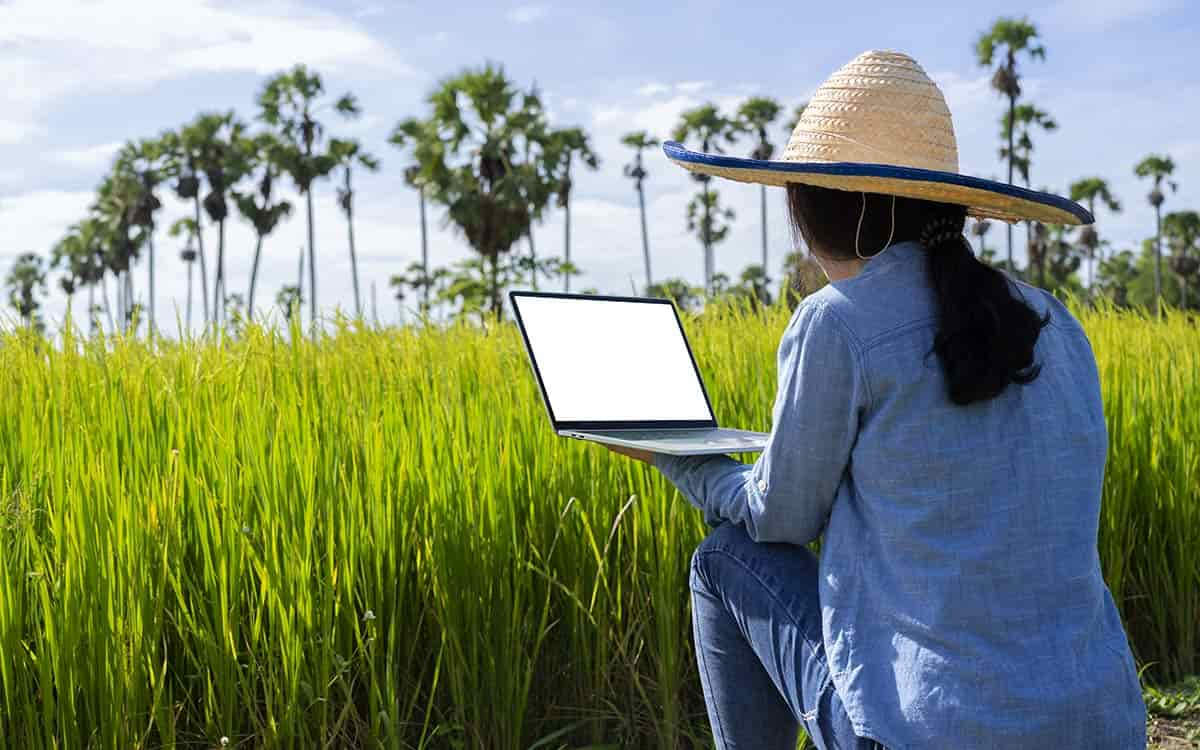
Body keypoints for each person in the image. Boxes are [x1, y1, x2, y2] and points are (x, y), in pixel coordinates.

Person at [605, 50, 1147, 749]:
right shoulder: (1055, 323)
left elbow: (781, 519)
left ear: (831, 209)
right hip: (1098, 725)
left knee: (724, 560)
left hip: (931, 730)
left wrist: (677, 458)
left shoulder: (839, 321)